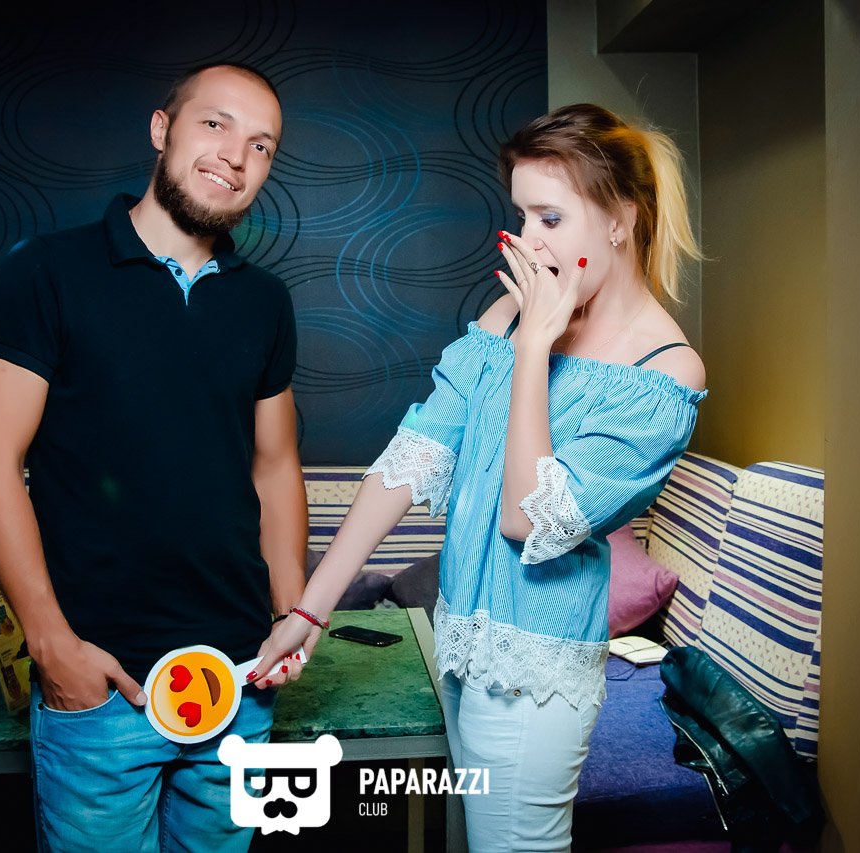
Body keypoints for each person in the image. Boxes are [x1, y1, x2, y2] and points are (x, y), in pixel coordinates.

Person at [254, 103, 708, 851]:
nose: (528, 240)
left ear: (621, 219)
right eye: (522, 216)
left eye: (550, 218)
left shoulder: (664, 372)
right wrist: (309, 612)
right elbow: (410, 459)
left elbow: (526, 518)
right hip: (460, 642)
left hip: (535, 674)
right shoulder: (507, 315)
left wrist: (535, 351)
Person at [0, 62, 319, 852]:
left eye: (261, 145)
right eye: (215, 124)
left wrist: (292, 612)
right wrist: (52, 648)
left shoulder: (264, 302)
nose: (236, 155)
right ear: (162, 130)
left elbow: (274, 464)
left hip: (239, 681)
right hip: (101, 683)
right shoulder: (45, 273)